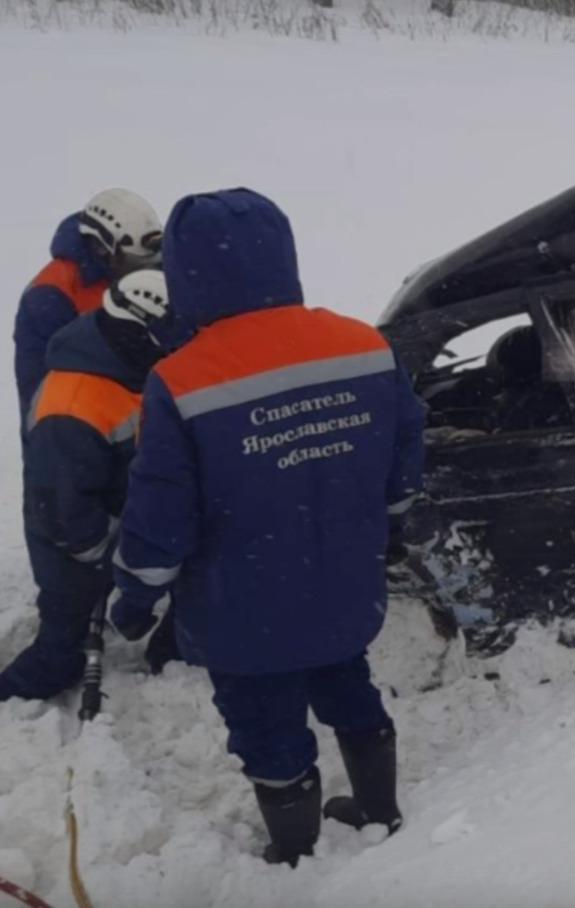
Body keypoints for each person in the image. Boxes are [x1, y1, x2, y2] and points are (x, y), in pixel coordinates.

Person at [107, 188, 426, 867]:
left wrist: (134, 600)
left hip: (243, 605)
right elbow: (404, 453)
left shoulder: (180, 380)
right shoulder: (363, 344)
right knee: (348, 681)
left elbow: (160, 514)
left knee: (267, 725)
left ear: (188, 275)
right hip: (343, 578)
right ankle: (378, 806)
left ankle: (295, 849)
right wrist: (390, 528)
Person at [0, 270, 172, 703]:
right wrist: (111, 557)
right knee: (61, 650)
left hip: (117, 513)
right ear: (137, 327)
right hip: (70, 541)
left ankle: (170, 652)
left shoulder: (131, 365)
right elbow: (62, 513)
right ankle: (16, 691)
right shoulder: (72, 404)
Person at [15, 189, 162, 419]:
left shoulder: (129, 270)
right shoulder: (50, 296)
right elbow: (44, 395)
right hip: (80, 425)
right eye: (137, 262)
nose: (145, 271)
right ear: (102, 248)